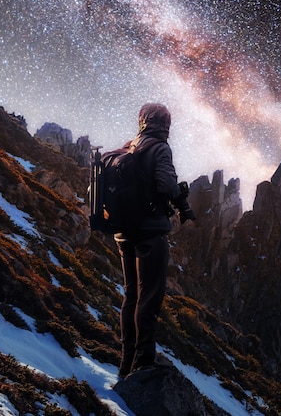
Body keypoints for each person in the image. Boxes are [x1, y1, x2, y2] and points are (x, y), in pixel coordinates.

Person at [115, 103, 195, 378]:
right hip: (149, 232)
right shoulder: (160, 148)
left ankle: (126, 363)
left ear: (142, 121)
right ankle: (143, 361)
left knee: (131, 296)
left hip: (124, 232)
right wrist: (181, 202)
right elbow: (166, 184)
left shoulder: (130, 145)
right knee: (149, 298)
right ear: (165, 124)